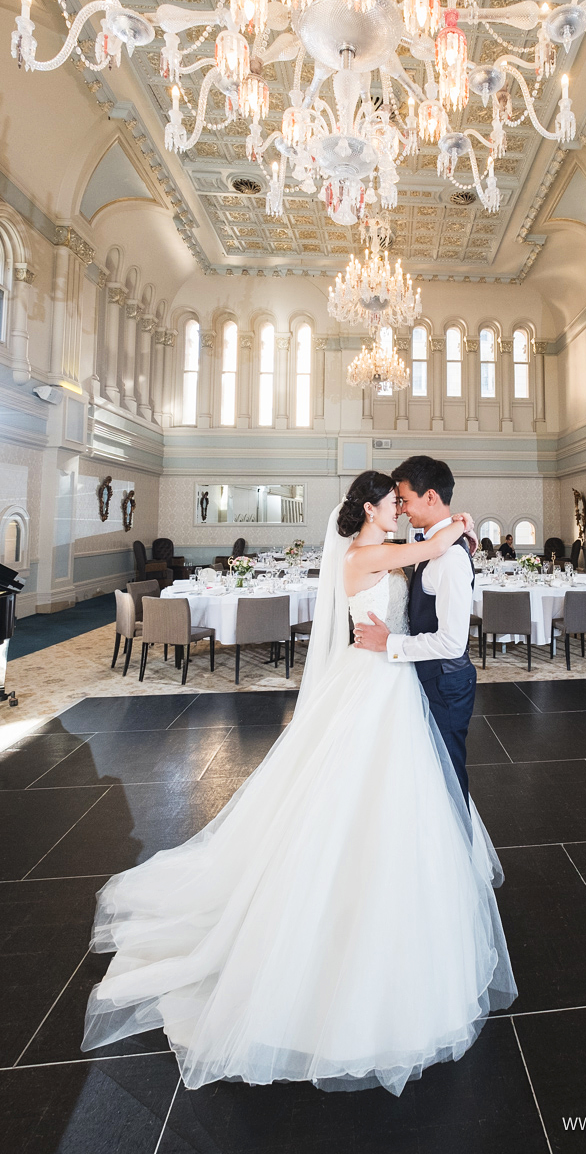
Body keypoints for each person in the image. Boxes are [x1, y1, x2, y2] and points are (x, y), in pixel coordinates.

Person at [81, 470, 516, 1096]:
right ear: (371, 509)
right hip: (373, 684)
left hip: (389, 683)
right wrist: (458, 526)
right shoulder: (368, 554)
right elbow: (423, 551)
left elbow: (423, 559)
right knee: (352, 798)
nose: (398, 508)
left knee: (391, 801)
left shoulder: (378, 551)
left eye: (403, 500)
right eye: (392, 502)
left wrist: (455, 529)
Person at [355, 456, 476, 805]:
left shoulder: (451, 557)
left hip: (446, 681)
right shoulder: (427, 541)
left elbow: (453, 643)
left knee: (448, 776)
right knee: (425, 775)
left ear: (431, 497)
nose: (402, 509)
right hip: (421, 676)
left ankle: (460, 855)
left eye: (405, 500)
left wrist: (389, 642)